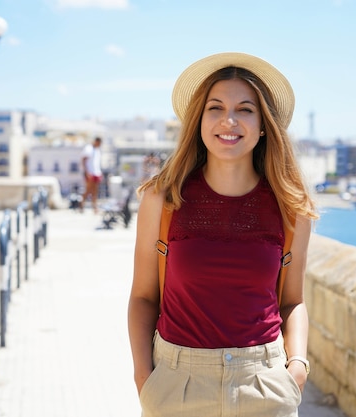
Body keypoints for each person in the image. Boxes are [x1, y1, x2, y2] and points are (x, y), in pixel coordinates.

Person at [127, 52, 319, 417]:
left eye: (245, 109)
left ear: (264, 125)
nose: (229, 120)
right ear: (199, 120)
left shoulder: (290, 207)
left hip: (264, 384)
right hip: (177, 386)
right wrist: (144, 377)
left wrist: (297, 366)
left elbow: (292, 301)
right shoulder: (162, 199)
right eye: (216, 107)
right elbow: (142, 297)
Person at [80, 136, 103, 213]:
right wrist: (86, 172)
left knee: (95, 191)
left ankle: (95, 208)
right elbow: (83, 160)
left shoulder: (97, 150)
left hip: (96, 173)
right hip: (90, 173)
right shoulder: (89, 148)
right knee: (88, 190)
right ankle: (81, 205)